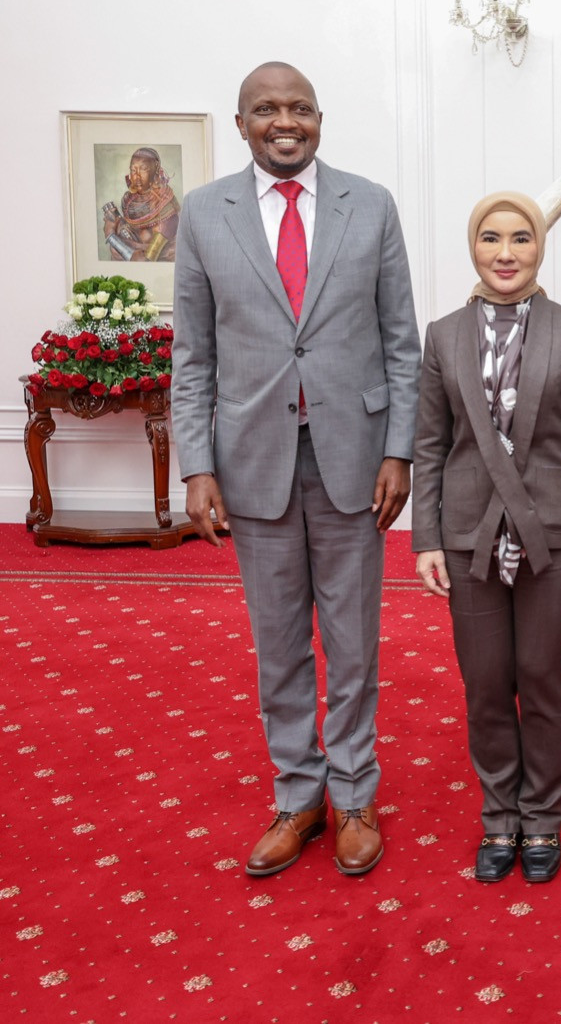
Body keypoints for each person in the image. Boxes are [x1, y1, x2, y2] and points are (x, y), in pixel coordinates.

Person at [172, 62, 421, 877]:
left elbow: (400, 343)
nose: (287, 121)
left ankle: (353, 794)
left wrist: (399, 450)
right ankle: (298, 795)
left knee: (352, 645)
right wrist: (196, 465)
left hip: (354, 460)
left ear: (320, 118)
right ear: (240, 121)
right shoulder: (204, 215)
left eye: (301, 108)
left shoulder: (371, 205)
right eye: (267, 109)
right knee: (278, 645)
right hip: (252, 462)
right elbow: (193, 357)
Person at [411, 191, 561, 884]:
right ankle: (501, 818)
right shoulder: (441, 335)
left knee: (542, 678)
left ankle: (544, 819)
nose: (505, 252)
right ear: (474, 247)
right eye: (491, 238)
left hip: (551, 535)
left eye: (520, 238)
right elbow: (430, 445)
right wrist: (426, 538)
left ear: (540, 246)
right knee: (487, 684)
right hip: (467, 537)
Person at [102, 147, 180, 262]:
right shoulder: (129, 202)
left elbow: (144, 260)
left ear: (155, 171)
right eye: (133, 170)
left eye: (143, 169)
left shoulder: (166, 210)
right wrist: (116, 221)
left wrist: (111, 236)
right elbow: (131, 233)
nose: (137, 176)